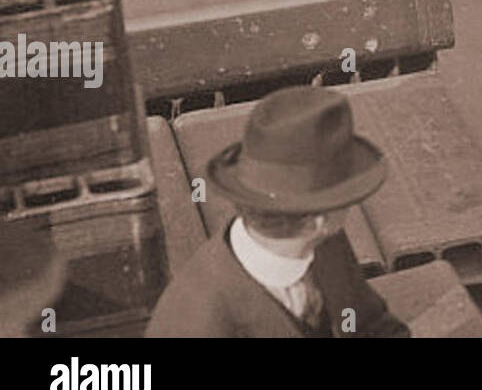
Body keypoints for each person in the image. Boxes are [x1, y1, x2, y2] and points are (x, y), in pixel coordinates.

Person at [146, 86, 409, 338]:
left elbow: (371, 328)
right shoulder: (194, 322)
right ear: (320, 220)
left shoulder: (326, 243)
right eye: (347, 193)